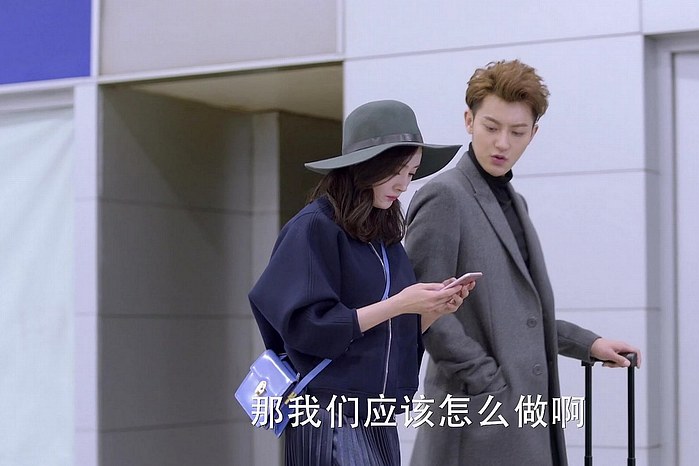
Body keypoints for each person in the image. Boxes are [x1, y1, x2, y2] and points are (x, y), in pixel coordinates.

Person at [404, 60, 642, 466]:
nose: (502, 143)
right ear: (469, 121)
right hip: (476, 418)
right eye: (491, 127)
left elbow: (520, 315)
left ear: (533, 133)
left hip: (523, 417)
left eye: (517, 132)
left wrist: (587, 344)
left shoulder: (516, 203)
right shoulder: (444, 196)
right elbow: (422, 309)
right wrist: (486, 381)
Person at [248, 100, 474, 466]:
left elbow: (386, 333)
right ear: (365, 165)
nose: (404, 184)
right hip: (329, 413)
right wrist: (400, 303)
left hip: (375, 413)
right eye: (396, 171)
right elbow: (307, 327)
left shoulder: (384, 238)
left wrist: (431, 309)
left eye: (412, 172)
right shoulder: (314, 227)